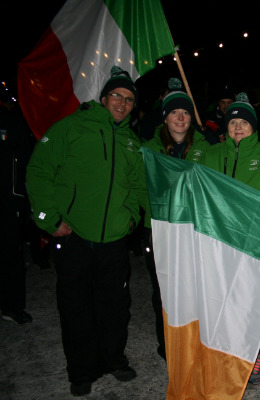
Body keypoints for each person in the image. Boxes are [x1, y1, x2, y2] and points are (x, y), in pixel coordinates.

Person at [26, 66, 146, 397]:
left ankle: (113, 360)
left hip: (114, 241)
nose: (122, 103)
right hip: (74, 236)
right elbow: (38, 171)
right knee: (76, 306)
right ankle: (81, 370)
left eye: (129, 99)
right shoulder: (71, 128)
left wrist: (132, 219)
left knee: (115, 306)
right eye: (117, 96)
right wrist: (49, 219)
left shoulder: (131, 142)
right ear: (104, 98)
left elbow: (138, 188)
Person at [201, 92, 260, 384]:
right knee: (222, 299)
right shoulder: (212, 155)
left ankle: (256, 352)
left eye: (244, 122)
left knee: (255, 300)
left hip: (255, 242)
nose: (238, 126)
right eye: (232, 121)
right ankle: (225, 349)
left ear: (253, 126)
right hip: (220, 242)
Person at [141, 77, 211, 360]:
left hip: (195, 232)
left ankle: (197, 341)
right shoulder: (149, 150)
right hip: (161, 232)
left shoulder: (206, 148)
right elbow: (138, 187)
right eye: (174, 112)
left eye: (185, 112)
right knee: (165, 291)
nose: (180, 118)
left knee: (196, 290)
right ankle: (168, 344)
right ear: (165, 117)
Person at [0, 96, 34, 325]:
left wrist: (21, 199)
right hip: (10, 199)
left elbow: (24, 162)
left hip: (7, 202)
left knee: (10, 253)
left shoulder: (12, 123)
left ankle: (12, 306)